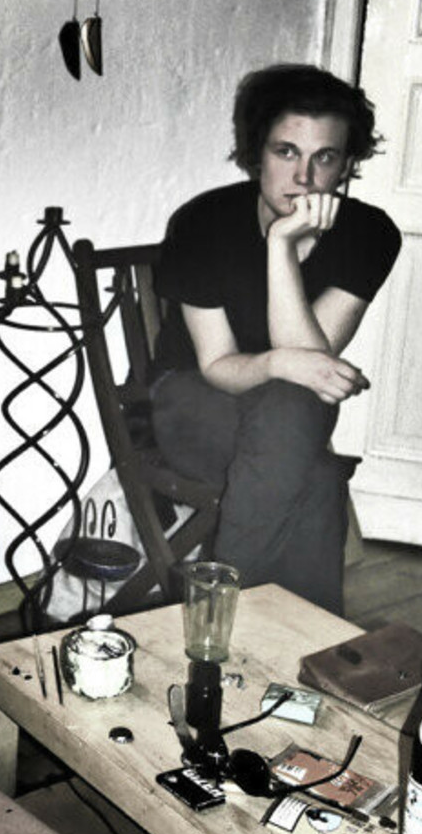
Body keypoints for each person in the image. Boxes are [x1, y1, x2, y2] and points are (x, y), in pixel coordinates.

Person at [149, 64, 401, 615]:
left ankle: (221, 618)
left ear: (347, 165)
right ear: (256, 154)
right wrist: (280, 363)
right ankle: (283, 639)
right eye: (286, 152)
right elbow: (218, 364)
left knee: (296, 424)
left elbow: (309, 373)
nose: (304, 177)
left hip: (288, 417)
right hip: (192, 398)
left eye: (325, 158)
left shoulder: (370, 233)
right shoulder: (204, 223)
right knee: (315, 469)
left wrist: (281, 247)